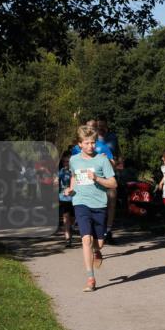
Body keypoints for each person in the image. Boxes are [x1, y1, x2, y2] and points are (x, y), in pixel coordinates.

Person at [63, 125, 116, 291]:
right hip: (80, 201)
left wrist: (97, 178)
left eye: (92, 142)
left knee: (98, 243)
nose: (90, 146)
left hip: (99, 203)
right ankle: (90, 279)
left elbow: (113, 184)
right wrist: (71, 189)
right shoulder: (74, 160)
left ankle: (97, 251)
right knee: (86, 239)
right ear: (80, 144)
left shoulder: (102, 160)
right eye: (86, 143)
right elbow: (74, 177)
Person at [96, 118, 119, 244]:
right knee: (99, 204)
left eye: (103, 126)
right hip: (96, 177)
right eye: (99, 126)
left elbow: (117, 154)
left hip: (110, 173)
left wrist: (113, 162)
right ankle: (98, 231)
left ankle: (108, 231)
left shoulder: (112, 138)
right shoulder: (91, 141)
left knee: (112, 203)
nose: (101, 128)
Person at [58, 151, 75, 247]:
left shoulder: (75, 172)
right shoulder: (61, 172)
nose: (66, 163)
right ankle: (67, 239)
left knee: (72, 218)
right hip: (64, 198)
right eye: (64, 162)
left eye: (68, 161)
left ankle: (70, 228)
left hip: (75, 198)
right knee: (66, 218)